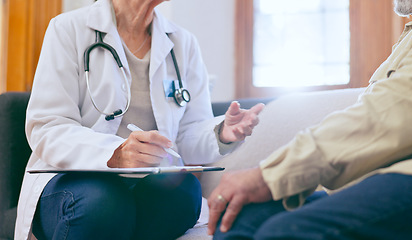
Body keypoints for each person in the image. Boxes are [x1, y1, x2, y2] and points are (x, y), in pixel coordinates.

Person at [14, 0, 264, 239]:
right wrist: (116, 152)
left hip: (145, 182)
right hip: (72, 179)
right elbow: (48, 127)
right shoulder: (68, 29)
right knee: (103, 203)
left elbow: (186, 135)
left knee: (184, 193)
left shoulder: (182, 42)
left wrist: (221, 133)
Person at [207, 0, 412, 239]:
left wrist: (272, 175)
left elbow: (394, 113)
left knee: (286, 233)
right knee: (241, 220)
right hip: (386, 175)